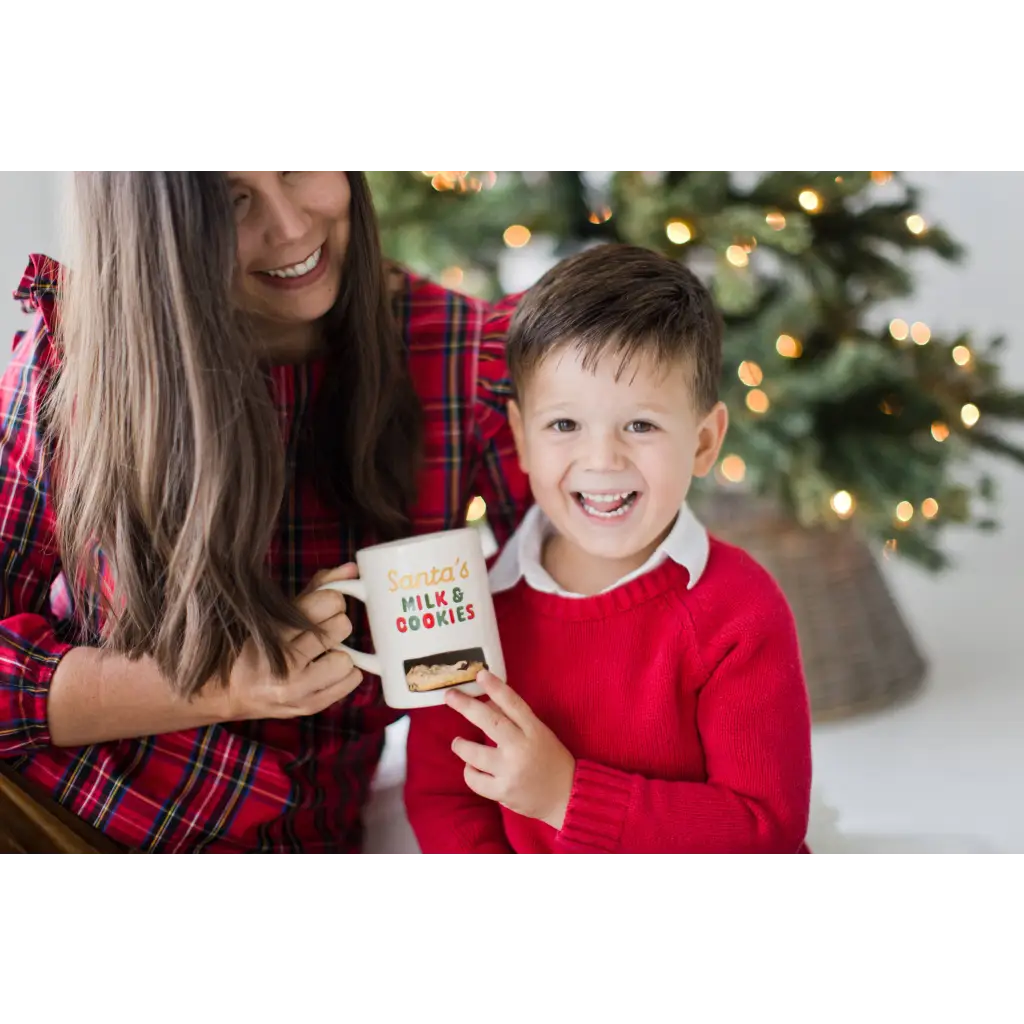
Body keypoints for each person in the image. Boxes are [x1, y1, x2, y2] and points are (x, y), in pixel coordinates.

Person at [0, 168, 531, 855]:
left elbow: (592, 610)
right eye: (230, 200)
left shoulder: (461, 356)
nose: (290, 227)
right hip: (62, 822)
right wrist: (216, 686)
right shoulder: (73, 362)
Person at [404, 243, 813, 855]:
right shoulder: (465, 607)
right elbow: (443, 797)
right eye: (564, 425)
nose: (601, 461)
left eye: (641, 425)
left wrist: (566, 796)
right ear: (520, 435)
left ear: (704, 442)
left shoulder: (739, 609)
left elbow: (765, 827)